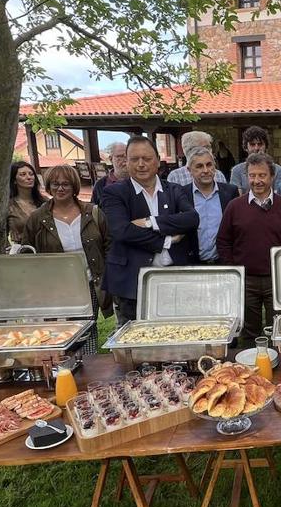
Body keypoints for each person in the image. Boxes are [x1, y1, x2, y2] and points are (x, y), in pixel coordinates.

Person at [100, 136, 199, 326]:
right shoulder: (114, 193)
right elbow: (122, 231)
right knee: (135, 338)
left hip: (174, 279)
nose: (141, 164)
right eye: (134, 159)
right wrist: (166, 241)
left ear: (158, 161)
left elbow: (191, 219)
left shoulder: (174, 190)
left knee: (177, 332)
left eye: (146, 158)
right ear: (126, 162)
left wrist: (150, 222)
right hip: (132, 282)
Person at [23, 165, 111, 352]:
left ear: (74, 187)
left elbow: (108, 246)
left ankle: (88, 369)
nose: (60, 188)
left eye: (66, 184)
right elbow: (27, 254)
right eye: (55, 184)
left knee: (87, 330)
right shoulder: (37, 218)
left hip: (88, 283)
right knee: (59, 333)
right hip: (56, 288)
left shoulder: (93, 213)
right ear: (48, 186)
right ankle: (63, 371)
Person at [217, 153, 281, 341]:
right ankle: (249, 367)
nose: (257, 181)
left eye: (262, 175)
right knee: (248, 331)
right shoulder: (234, 206)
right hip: (246, 280)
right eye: (252, 175)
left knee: (280, 329)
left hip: (277, 280)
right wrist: (234, 271)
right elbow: (223, 241)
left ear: (272, 177)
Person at [183, 147, 239, 264]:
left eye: (209, 165)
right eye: (199, 166)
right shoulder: (182, 195)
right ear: (189, 170)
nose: (206, 170)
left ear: (215, 166)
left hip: (224, 264)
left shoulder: (230, 192)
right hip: (193, 265)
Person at [230, 126, 281, 193]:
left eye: (260, 144)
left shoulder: (277, 170)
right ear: (245, 147)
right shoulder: (237, 171)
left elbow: (278, 197)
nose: (256, 148)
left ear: (266, 146)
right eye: (252, 144)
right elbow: (237, 198)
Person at [8, 160, 45, 244]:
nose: (29, 177)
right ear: (14, 180)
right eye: (23, 174)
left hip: (46, 249)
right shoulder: (9, 206)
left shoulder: (45, 202)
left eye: (31, 174)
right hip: (22, 250)